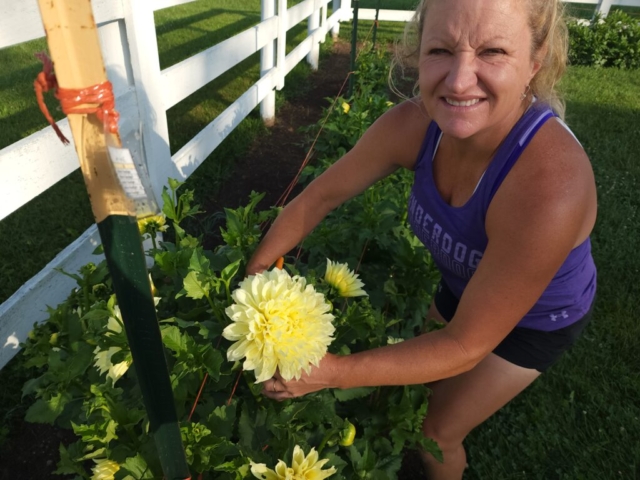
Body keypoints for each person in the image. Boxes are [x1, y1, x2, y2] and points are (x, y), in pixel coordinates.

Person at [246, 0, 597, 478]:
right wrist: (255, 275)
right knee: (413, 387)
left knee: (435, 432)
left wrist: (331, 372)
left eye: (492, 51)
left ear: (534, 64)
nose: (457, 80)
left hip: (537, 322)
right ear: (418, 53)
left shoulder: (549, 185)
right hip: (462, 286)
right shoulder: (413, 125)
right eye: (441, 50)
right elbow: (321, 196)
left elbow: (464, 345)